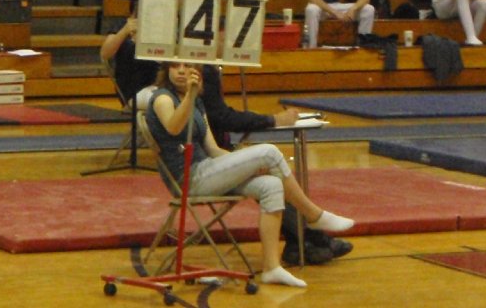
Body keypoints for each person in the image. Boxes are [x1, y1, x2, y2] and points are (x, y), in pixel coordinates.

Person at [147, 62, 355, 288]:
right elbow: (174, 127)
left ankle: (272, 267)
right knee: (269, 151)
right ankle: (313, 215)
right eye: (175, 66)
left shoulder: (196, 101)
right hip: (188, 179)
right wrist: (190, 95)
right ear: (166, 70)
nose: (181, 70)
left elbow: (214, 150)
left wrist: (246, 164)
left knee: (270, 185)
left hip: (208, 170)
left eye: (187, 66)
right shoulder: (162, 98)